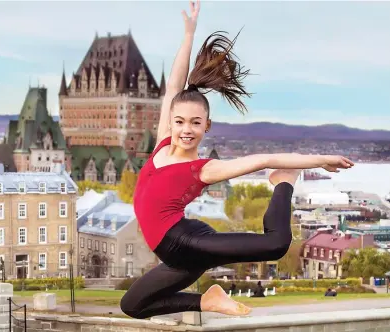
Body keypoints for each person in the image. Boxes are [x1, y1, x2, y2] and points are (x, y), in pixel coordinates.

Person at [120, 0, 354, 319]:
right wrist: (189, 33)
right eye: (180, 121)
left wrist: (320, 159)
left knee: (276, 245)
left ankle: (283, 181)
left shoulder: (203, 170)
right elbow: (173, 85)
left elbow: (262, 158)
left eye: (195, 123)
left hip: (185, 243)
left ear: (207, 126)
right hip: (176, 257)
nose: (186, 129)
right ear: (171, 120)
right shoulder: (161, 144)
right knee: (132, 306)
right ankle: (208, 300)